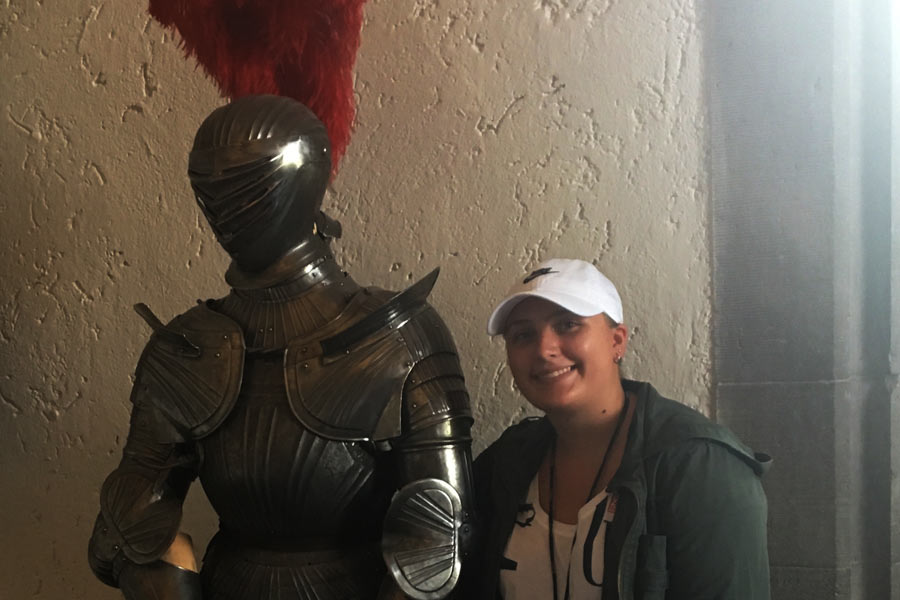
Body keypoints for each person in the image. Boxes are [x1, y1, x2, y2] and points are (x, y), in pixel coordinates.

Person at [87, 95, 475, 600]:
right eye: (211, 190)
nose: (227, 210)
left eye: (246, 189)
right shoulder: (184, 347)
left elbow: (441, 534)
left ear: (303, 179)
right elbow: (123, 528)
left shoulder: (398, 333)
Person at [461, 258, 770, 600]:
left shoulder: (702, 468)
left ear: (617, 341)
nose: (544, 349)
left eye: (567, 324)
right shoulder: (509, 461)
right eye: (523, 335)